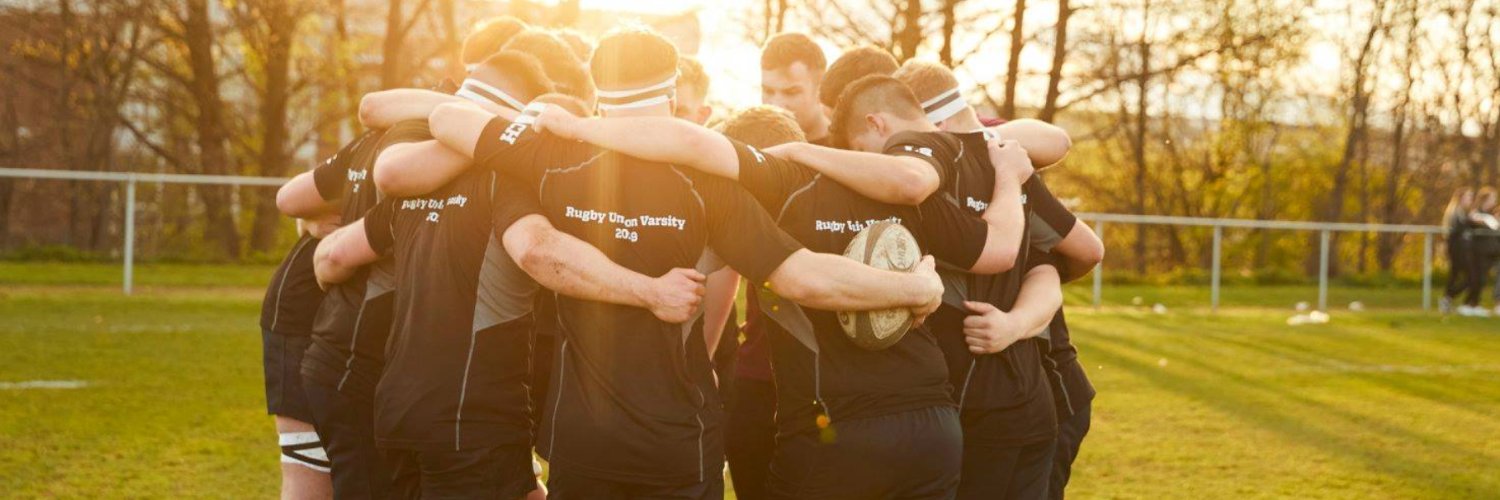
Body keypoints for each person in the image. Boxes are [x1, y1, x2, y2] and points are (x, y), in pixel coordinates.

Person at [425, 26, 946, 499]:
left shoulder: (548, 156)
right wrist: (915, 289)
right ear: (672, 95)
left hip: (583, 440)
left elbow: (445, 116)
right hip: (676, 440)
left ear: (599, 94)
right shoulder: (708, 186)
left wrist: (542, 124)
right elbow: (803, 278)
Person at [529, 97, 1070, 498]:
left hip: (834, 432)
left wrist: (578, 127)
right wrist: (1007, 178)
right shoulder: (908, 191)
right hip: (933, 427)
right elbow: (1003, 248)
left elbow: (693, 147)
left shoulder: (776, 180)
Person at [312, 52, 715, 498]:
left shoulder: (414, 187)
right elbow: (537, 252)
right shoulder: (507, 182)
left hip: (398, 410)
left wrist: (313, 230)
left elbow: (332, 256)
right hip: (472, 418)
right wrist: (651, 291)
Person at [892, 59, 1104, 499]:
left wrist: (1020, 313)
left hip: (1044, 387)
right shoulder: (978, 158)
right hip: (1005, 396)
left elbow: (1086, 251)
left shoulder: (999, 163)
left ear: (932, 121)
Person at [260, 212, 337, 500]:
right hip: (303, 317)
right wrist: (309, 221)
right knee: (311, 463)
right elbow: (292, 201)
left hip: (369, 317)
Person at [761, 33, 831, 145]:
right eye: (768, 91)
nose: (777, 105)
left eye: (791, 93)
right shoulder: (752, 146)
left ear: (820, 91)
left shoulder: (848, 149)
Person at [1442, 187, 1486, 316]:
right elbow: (1456, 231)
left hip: (1464, 250)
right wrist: (1471, 220)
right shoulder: (1455, 213)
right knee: (1471, 277)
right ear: (1461, 198)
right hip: (1458, 250)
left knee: (1457, 275)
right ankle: (1449, 297)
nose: (1471, 199)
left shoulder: (1463, 213)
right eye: (1469, 196)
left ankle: (1447, 298)